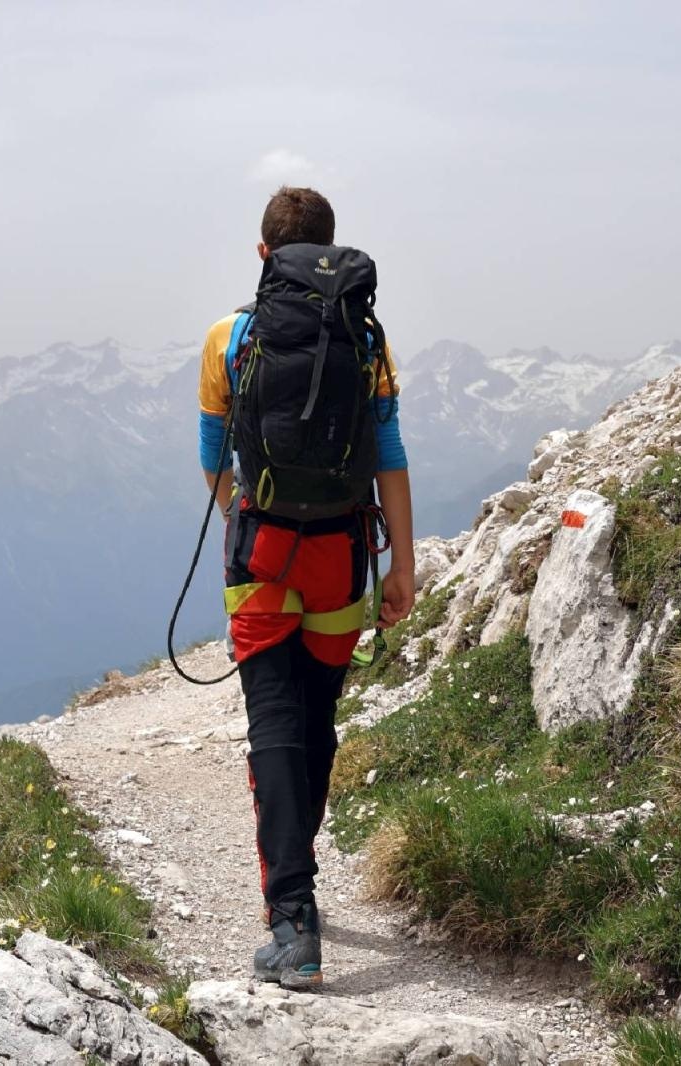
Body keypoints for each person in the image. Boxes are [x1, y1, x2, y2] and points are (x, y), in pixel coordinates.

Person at [196, 186, 415, 988]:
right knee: (315, 717)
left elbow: (213, 453)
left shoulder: (233, 337)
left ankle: (292, 918)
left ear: (265, 257)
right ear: (329, 250)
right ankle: (298, 877)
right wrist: (404, 566)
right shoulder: (365, 337)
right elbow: (388, 452)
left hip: (261, 554)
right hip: (342, 554)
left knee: (274, 719)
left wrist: (243, 521)